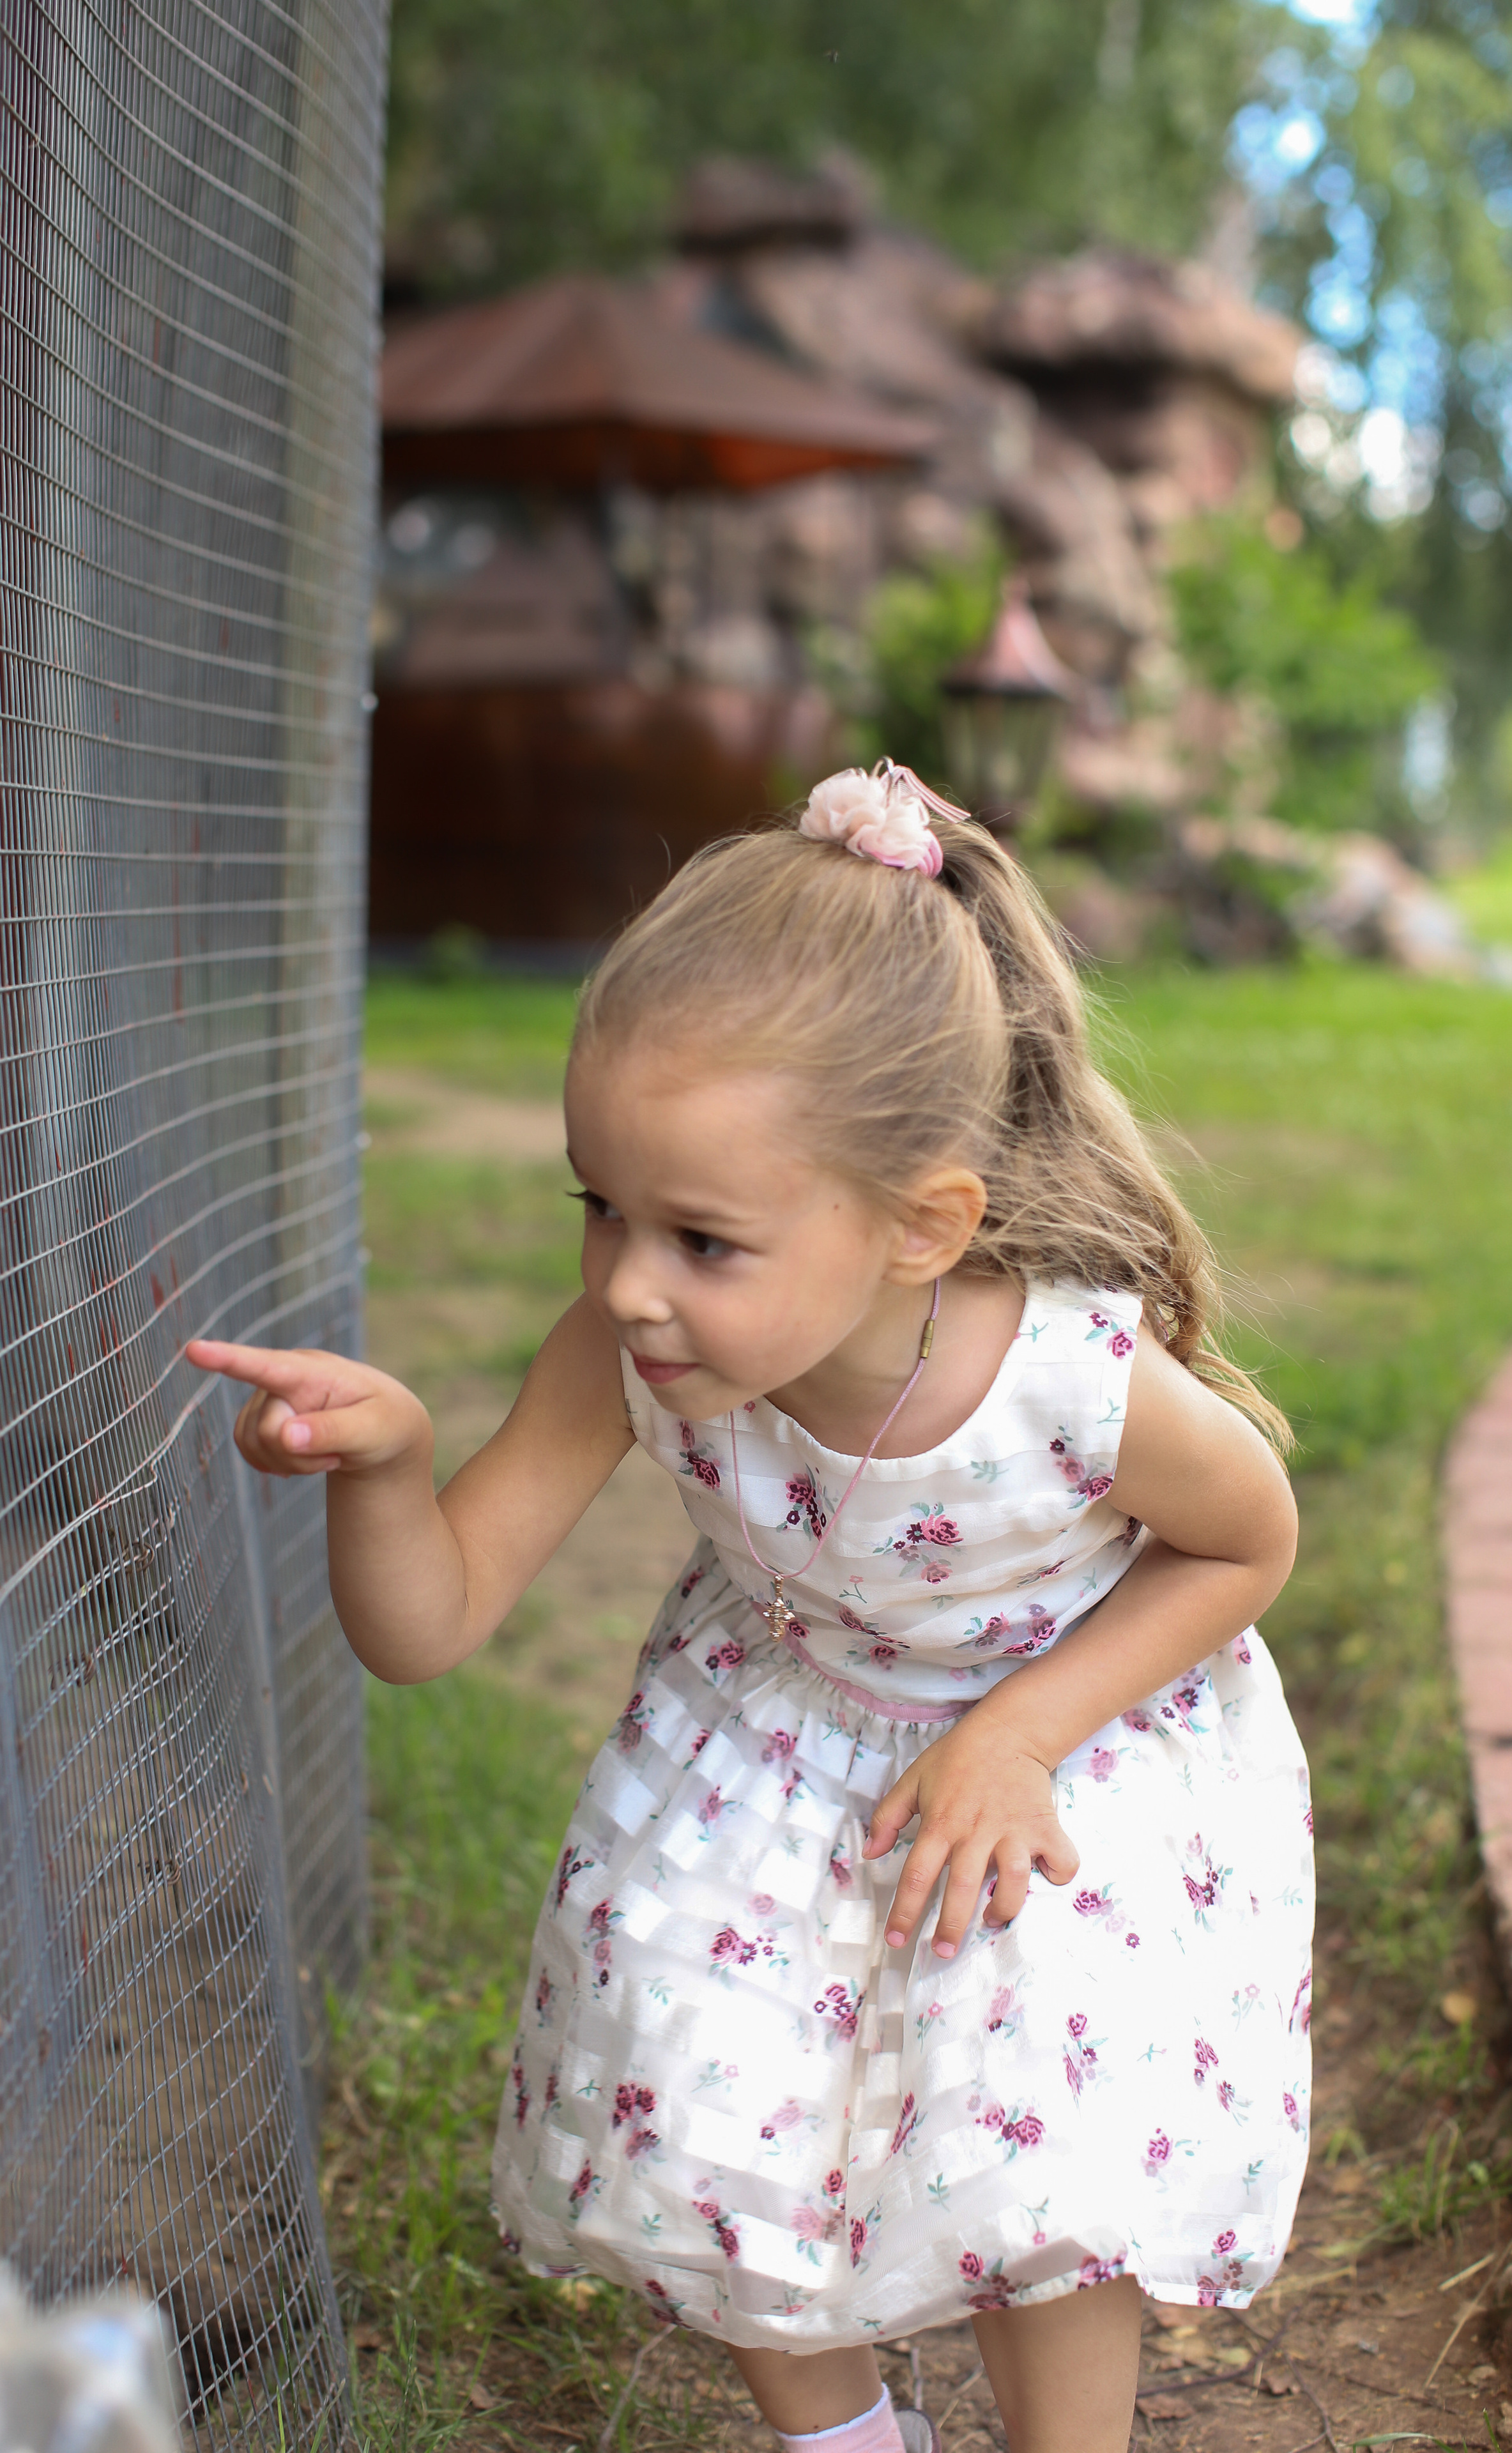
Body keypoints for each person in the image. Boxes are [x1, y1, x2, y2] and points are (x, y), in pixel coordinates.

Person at [187, 763, 1312, 2453]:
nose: (628, 1281)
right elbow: (426, 1624)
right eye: (601, 1208)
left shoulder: (1068, 1379)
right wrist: (388, 1467)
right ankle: (846, 2436)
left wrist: (1020, 1735)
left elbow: (1246, 1544)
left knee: (1031, 2124)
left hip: (1072, 1745)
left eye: (703, 1239)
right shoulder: (633, 1355)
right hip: (771, 1747)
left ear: (921, 1227)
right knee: (705, 2076)